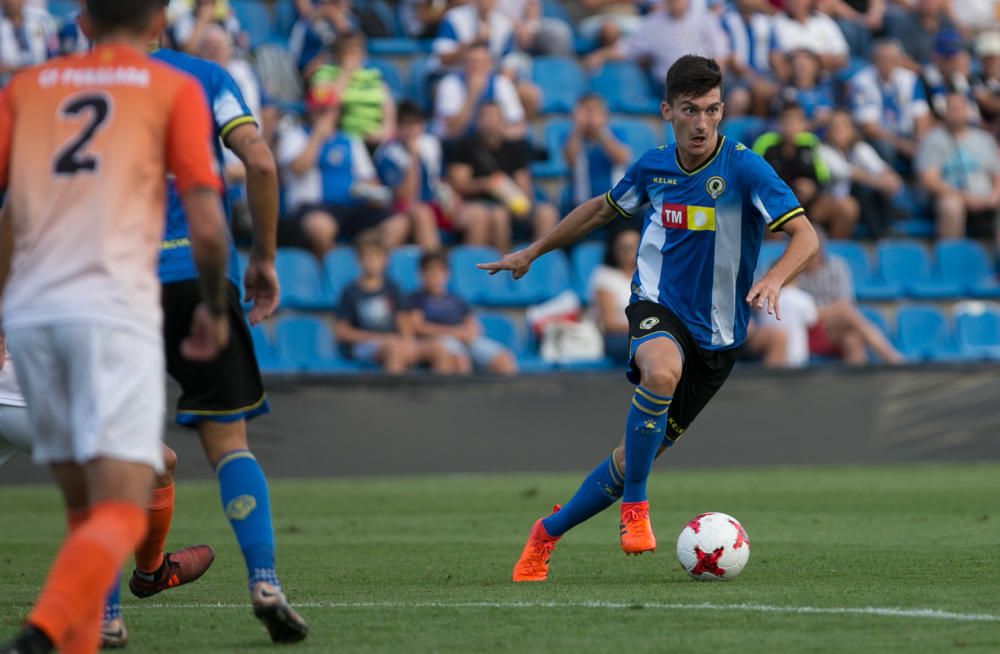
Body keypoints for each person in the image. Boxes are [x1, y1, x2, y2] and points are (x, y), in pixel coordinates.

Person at [479, 55, 818, 581]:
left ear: (722, 110)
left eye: (711, 110)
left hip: (718, 341)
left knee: (629, 457)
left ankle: (546, 533)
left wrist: (775, 278)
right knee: (660, 372)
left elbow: (806, 235)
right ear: (668, 111)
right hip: (657, 305)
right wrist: (534, 251)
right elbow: (598, 211)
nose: (701, 123)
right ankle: (636, 509)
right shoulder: (653, 166)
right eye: (690, 110)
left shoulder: (746, 168)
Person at [0, 2, 230, 653]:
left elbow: (10, 213)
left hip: (29, 316)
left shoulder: (26, 89)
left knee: (88, 509)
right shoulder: (174, 88)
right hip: (109, 313)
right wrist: (213, 307)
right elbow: (208, 223)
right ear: (160, 22)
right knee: (126, 497)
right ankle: (44, 629)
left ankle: (84, 628)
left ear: (80, 22)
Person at [147, 14, 310, 644]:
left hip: (112, 280)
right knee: (229, 441)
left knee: (110, 454)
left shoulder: (61, 85)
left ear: (84, 17)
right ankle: (264, 579)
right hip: (200, 268)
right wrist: (263, 259)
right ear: (161, 16)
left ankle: (103, 613)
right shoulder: (205, 77)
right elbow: (262, 164)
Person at [277, 95, 411, 257]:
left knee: (398, 223)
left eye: (327, 110)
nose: (323, 114)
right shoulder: (296, 136)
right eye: (318, 110)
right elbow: (298, 168)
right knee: (321, 227)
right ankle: (331, 273)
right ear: (310, 110)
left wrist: (371, 194)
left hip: (353, 206)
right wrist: (317, 137)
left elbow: (370, 179)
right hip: (314, 207)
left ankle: (372, 269)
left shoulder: (350, 139)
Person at [375, 100, 491, 248]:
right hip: (403, 208)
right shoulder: (388, 153)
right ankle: (434, 263)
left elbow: (441, 180)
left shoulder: (431, 144)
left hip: (434, 203)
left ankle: (471, 267)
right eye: (406, 125)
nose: (411, 130)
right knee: (423, 213)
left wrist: (451, 200)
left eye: (416, 124)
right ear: (398, 127)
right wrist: (413, 158)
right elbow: (403, 196)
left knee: (478, 214)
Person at [446, 101, 557, 252]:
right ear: (477, 121)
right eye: (485, 116)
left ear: (503, 121)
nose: (490, 121)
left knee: (547, 213)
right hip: (478, 202)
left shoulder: (514, 148)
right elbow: (459, 184)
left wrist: (520, 200)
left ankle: (537, 263)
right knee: (499, 216)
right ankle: (504, 266)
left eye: (495, 117)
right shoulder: (464, 146)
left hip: (511, 201)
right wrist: (486, 184)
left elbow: (523, 181)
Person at [334, 234, 455, 374]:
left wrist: (408, 342)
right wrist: (377, 338)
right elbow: (342, 331)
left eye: (377, 256)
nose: (373, 261)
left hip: (396, 341)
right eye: (368, 257)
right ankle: (396, 394)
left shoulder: (393, 288)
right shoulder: (350, 291)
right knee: (394, 349)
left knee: (439, 349)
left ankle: (439, 395)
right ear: (358, 260)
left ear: (385, 260)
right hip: (363, 346)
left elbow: (404, 320)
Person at [753, 102, 858, 239]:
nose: (791, 126)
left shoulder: (811, 143)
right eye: (787, 121)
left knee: (848, 207)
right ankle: (776, 256)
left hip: (809, 205)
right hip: (776, 205)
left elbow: (823, 179)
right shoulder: (765, 144)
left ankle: (832, 254)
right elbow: (752, 180)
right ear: (779, 124)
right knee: (768, 216)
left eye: (796, 121)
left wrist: (813, 189)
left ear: (803, 124)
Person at [796, 236, 904, 365]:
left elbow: (846, 302)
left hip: (835, 326)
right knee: (847, 313)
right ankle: (892, 358)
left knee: (852, 340)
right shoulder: (793, 271)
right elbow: (801, 312)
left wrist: (831, 311)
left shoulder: (837, 265)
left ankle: (859, 382)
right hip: (805, 330)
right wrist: (833, 310)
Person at [407, 251, 518, 375]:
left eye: (439, 270)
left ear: (447, 274)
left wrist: (469, 332)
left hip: (465, 339)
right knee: (458, 360)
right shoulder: (415, 299)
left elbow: (473, 325)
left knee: (503, 358)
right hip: (439, 340)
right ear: (421, 274)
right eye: (430, 271)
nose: (435, 275)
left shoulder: (456, 299)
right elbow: (418, 327)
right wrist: (454, 332)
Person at [583, 0, 730, 90]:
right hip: (671, 88)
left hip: (705, 83)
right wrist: (601, 55)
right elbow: (627, 49)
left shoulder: (706, 19)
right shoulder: (652, 23)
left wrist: (711, 84)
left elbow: (721, 57)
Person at [916, 92, 1000, 243]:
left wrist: (994, 195)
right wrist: (965, 197)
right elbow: (929, 180)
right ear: (945, 112)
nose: (957, 112)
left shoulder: (985, 139)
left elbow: (997, 175)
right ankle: (952, 261)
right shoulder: (933, 139)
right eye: (953, 108)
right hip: (951, 197)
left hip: (986, 198)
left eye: (960, 108)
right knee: (951, 206)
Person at [849, 38, 932, 168]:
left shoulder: (910, 79)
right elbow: (869, 128)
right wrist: (902, 144)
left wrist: (920, 142)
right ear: (874, 60)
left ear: (899, 61)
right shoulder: (861, 82)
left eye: (892, 59)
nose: (887, 63)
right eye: (883, 59)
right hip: (880, 137)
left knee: (930, 144)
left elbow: (921, 115)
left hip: (907, 134)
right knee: (885, 148)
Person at [820, 109, 902, 239]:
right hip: (833, 203)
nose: (839, 130)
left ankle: (889, 229)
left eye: (844, 126)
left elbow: (879, 167)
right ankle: (881, 235)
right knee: (864, 189)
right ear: (828, 131)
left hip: (859, 204)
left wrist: (890, 180)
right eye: (835, 126)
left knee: (878, 189)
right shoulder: (823, 150)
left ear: (852, 129)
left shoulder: (859, 148)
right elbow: (848, 172)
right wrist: (881, 183)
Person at [308, 32, 396, 149]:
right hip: (342, 137)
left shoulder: (371, 76)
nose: (356, 56)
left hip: (375, 138)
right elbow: (326, 105)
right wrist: (345, 73)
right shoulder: (324, 73)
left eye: (359, 50)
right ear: (339, 54)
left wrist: (384, 132)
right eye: (350, 51)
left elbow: (388, 107)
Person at [432, 41, 525, 139]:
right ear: (464, 64)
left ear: (489, 65)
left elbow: (518, 126)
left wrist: (494, 131)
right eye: (472, 62)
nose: (477, 67)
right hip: (458, 144)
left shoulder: (501, 83)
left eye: (481, 62)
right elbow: (452, 130)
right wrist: (472, 94)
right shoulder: (450, 84)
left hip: (492, 143)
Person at [562, 94, 631, 210]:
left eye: (594, 111)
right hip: (582, 207)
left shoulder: (616, 134)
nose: (590, 117)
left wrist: (601, 132)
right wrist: (578, 129)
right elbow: (570, 160)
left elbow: (622, 158)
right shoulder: (571, 138)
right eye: (586, 112)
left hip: (615, 206)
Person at [588, 229, 639, 363]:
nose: (629, 251)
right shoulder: (604, 276)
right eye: (624, 247)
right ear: (614, 249)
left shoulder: (648, 276)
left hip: (644, 333)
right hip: (615, 337)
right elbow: (609, 324)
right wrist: (646, 327)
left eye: (634, 246)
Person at [771, 0, 849, 78]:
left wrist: (818, 61)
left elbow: (842, 57)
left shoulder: (823, 20)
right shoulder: (777, 22)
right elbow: (776, 57)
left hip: (825, 78)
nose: (797, 2)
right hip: (790, 80)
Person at [0, 0, 57, 85]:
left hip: (42, 84)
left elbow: (55, 54)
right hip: (7, 88)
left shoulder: (42, 18)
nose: (11, 1)